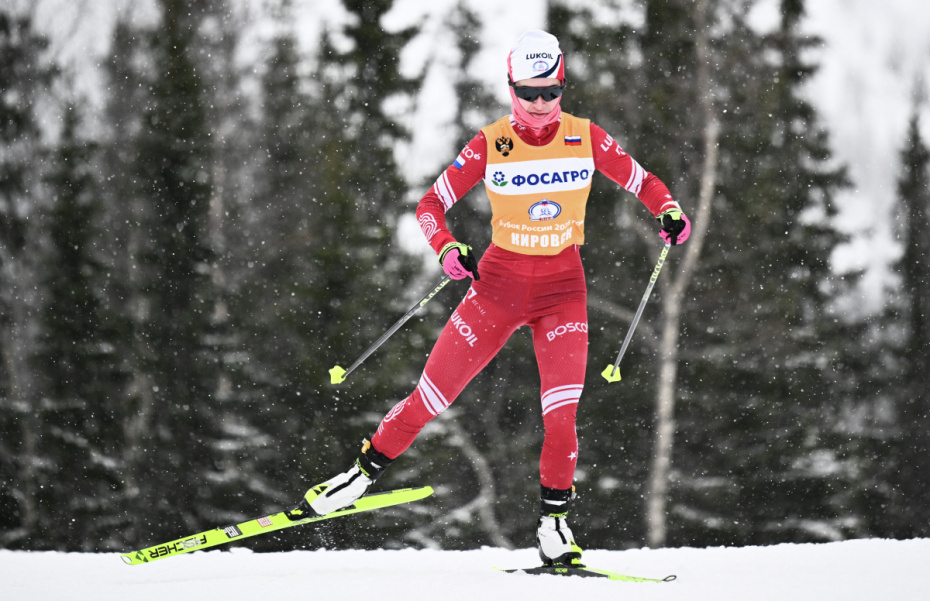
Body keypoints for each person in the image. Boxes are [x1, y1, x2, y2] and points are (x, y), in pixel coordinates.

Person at [288, 30, 690, 566]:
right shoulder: (491, 143)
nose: (541, 104)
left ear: (563, 85)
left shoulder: (586, 136)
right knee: (431, 397)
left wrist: (669, 211)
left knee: (562, 415)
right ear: (511, 88)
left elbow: (645, 182)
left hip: (562, 291)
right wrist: (446, 247)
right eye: (529, 93)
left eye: (551, 92)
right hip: (497, 287)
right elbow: (430, 205)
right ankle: (357, 477)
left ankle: (553, 527)